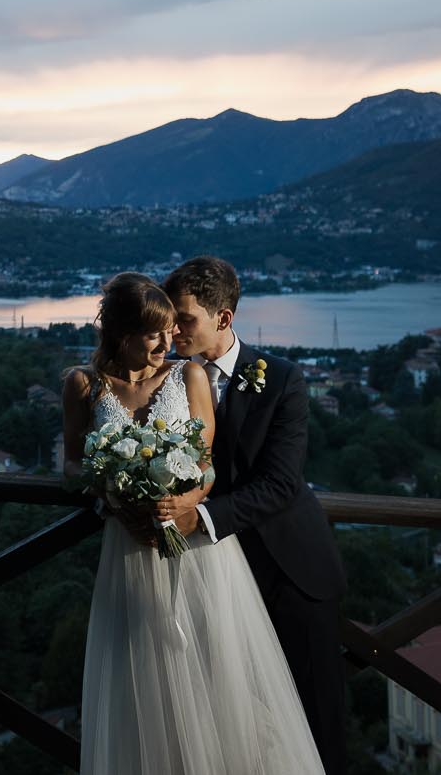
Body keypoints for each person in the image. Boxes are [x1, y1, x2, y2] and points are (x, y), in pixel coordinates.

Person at [62, 271, 324, 774]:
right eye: (155, 331)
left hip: (200, 549)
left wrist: (183, 508)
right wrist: (115, 494)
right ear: (120, 333)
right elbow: (72, 465)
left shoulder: (189, 376)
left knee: (220, 678)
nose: (169, 340)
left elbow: (205, 464)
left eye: (173, 328)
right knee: (141, 679)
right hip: (128, 551)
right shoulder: (82, 384)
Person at [154, 256, 348, 775]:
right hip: (209, 583)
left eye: (185, 319)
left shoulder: (283, 379)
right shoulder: (164, 380)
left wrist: (202, 518)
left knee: (314, 728)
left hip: (289, 573)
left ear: (225, 318)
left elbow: (282, 483)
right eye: (170, 318)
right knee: (229, 729)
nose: (173, 330)